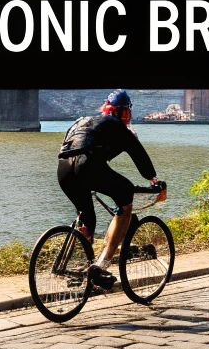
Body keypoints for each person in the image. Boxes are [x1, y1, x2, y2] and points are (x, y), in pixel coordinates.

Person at [57, 89, 159, 291]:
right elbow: (139, 155)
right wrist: (154, 180)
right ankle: (101, 265)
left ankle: (84, 268)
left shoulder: (83, 121)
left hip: (63, 169)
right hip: (87, 166)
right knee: (126, 195)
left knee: (88, 218)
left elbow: (72, 145)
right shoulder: (118, 127)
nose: (127, 117)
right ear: (122, 112)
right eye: (126, 113)